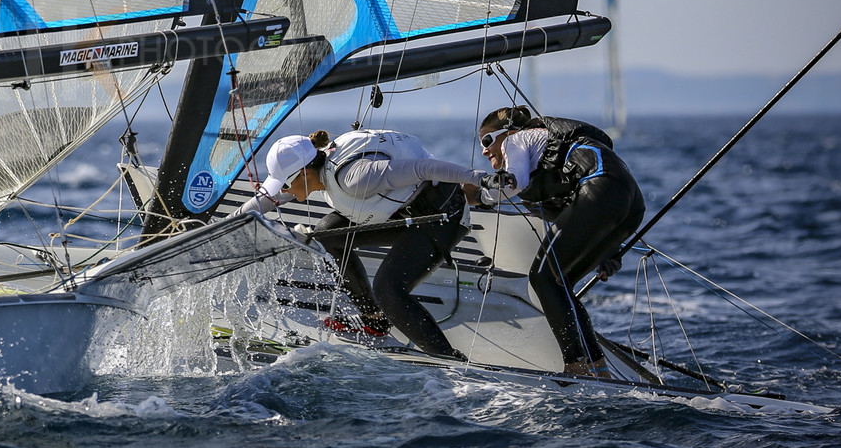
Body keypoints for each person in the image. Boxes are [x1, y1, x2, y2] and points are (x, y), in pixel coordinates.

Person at [242, 129, 493, 360]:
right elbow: (267, 200)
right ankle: (374, 320)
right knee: (327, 235)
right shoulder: (315, 170)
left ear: (305, 173)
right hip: (402, 212)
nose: (284, 190)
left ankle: (448, 359)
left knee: (388, 289)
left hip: (442, 214)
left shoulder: (354, 178)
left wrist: (480, 179)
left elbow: (424, 168)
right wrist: (232, 221)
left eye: (285, 183)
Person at [468, 105, 645, 377]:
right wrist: (608, 251)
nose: (484, 150)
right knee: (559, 283)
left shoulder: (516, 140)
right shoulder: (542, 149)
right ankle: (598, 368)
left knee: (542, 278)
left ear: (508, 133)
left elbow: (513, 183)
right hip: (630, 204)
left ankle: (576, 367)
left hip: (601, 188)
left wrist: (479, 196)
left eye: (487, 140)